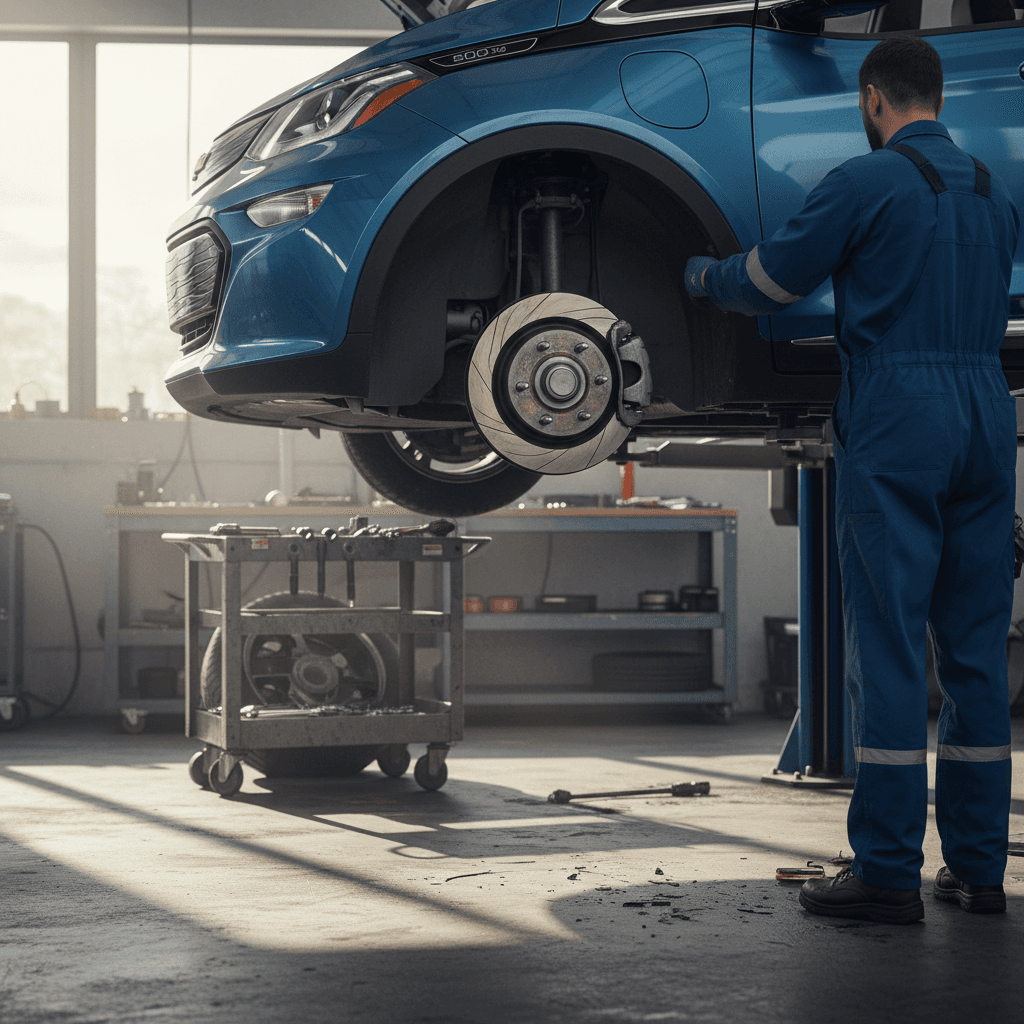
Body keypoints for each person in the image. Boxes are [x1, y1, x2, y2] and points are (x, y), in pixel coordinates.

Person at [685, 35, 1020, 924]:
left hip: (900, 418)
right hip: (989, 413)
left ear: (873, 99)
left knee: (891, 648)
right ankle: (981, 873)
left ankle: (885, 871)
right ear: (936, 97)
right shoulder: (992, 193)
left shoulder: (863, 182)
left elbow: (773, 278)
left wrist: (699, 277)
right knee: (979, 654)